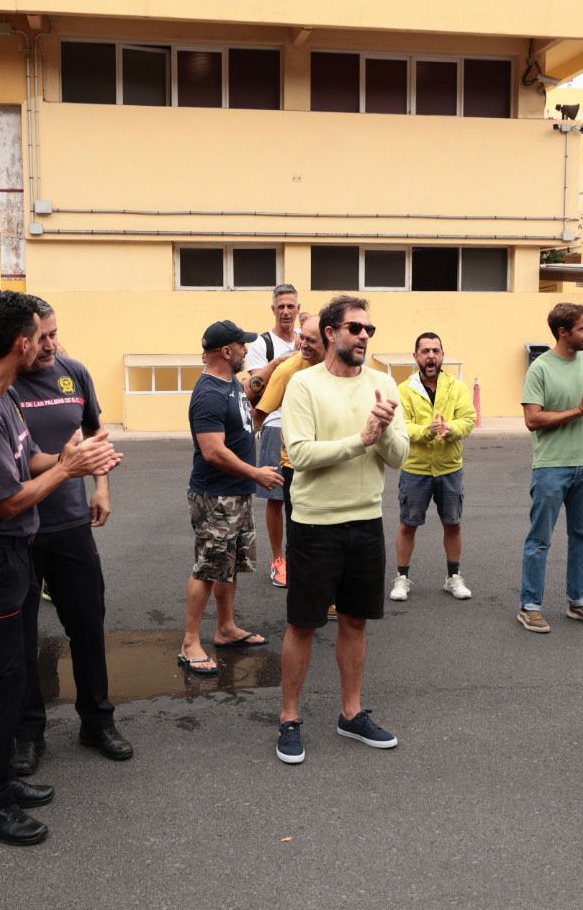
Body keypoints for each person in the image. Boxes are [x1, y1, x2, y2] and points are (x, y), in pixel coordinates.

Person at [0, 292, 120, 846]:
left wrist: (77, 462)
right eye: (41, 336)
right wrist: (68, 471)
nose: (50, 344)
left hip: (7, 556)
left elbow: (29, 462)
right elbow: (10, 501)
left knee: (13, 671)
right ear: (21, 342)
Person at [275, 294, 408, 765]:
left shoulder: (383, 382)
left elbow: (400, 456)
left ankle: (350, 713)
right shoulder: (304, 386)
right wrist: (361, 439)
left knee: (354, 621)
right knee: (304, 624)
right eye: (355, 328)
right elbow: (303, 456)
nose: (364, 337)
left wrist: (386, 429)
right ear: (331, 333)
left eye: (369, 330)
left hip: (366, 522)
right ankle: (289, 718)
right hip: (315, 526)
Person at [180, 320, 281, 676]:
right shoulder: (209, 393)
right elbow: (212, 451)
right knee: (207, 567)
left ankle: (225, 629)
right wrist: (256, 474)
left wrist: (278, 365)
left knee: (228, 564)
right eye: (241, 346)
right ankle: (190, 642)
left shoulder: (230, 385)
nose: (246, 350)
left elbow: (253, 385)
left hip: (235, 494)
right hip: (216, 496)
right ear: (226, 351)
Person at [517, 303, 583, 633]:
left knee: (582, 537)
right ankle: (530, 606)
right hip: (551, 467)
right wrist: (579, 408)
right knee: (540, 539)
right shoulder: (540, 369)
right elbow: (533, 420)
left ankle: (579, 601)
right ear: (563, 332)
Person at [391, 332, 476, 602]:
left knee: (453, 524)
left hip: (449, 468)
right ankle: (402, 578)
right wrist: (427, 432)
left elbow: (469, 419)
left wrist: (450, 428)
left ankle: (454, 577)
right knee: (407, 525)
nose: (431, 356)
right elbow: (401, 426)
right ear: (416, 356)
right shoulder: (404, 390)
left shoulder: (457, 387)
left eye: (436, 351)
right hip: (416, 469)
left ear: (442, 355)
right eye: (425, 351)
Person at [242, 285, 301, 588]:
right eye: (281, 307)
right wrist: (278, 363)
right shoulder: (261, 344)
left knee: (305, 496)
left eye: (291, 306)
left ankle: (302, 556)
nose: (286, 312)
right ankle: (279, 559)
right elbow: (254, 388)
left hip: (306, 425)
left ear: (298, 307)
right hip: (275, 424)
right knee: (275, 498)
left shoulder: (309, 339)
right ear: (273, 309)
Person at [255, 315, 324, 512]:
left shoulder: (339, 368)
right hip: (296, 466)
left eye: (311, 340)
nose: (303, 344)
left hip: (329, 462)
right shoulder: (286, 370)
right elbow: (259, 416)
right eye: (302, 338)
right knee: (297, 528)